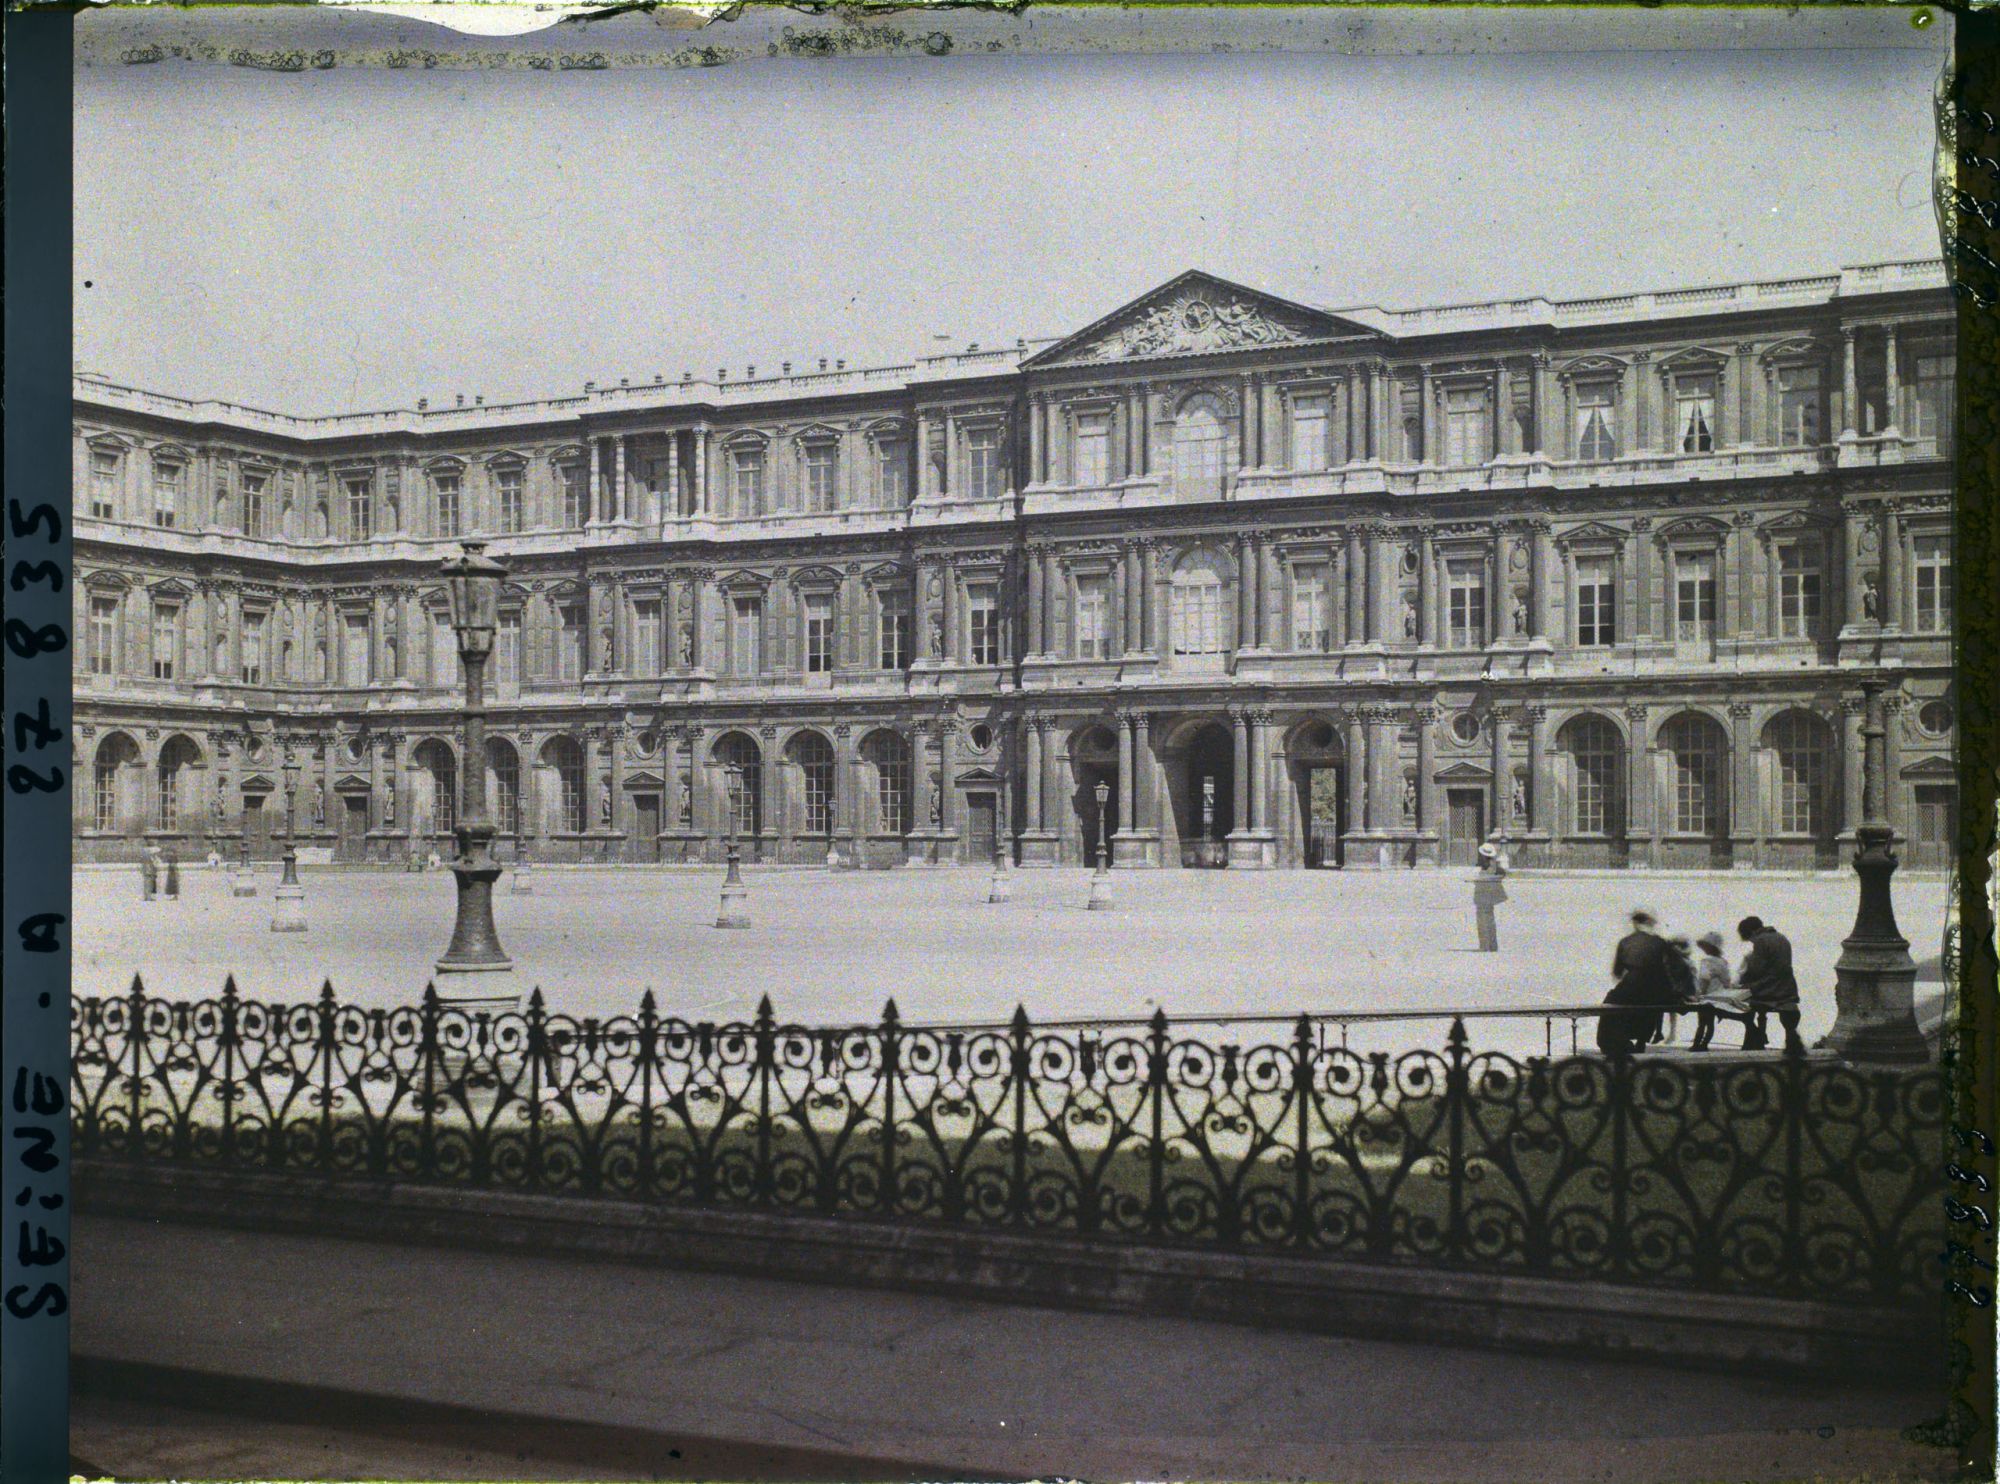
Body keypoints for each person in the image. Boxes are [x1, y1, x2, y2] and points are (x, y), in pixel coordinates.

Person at [1599, 909, 1672, 1056]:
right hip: (1656, 986)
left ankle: (1617, 1039)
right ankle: (1642, 1039)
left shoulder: (1625, 942)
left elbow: (1617, 972)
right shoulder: (1660, 942)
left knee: (1612, 1002)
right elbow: (1670, 967)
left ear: (1634, 923)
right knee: (1650, 1001)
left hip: (1632, 983)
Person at [1736, 916, 1804, 1052]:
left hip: (1770, 989)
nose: (1751, 941)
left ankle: (1755, 1037)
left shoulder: (1760, 940)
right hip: (1788, 988)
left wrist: (1746, 971)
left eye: (1749, 939)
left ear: (1751, 932)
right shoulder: (1781, 937)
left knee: (1738, 1003)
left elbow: (1757, 969)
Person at [1652, 934, 1699, 1045]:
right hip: (1678, 993)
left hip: (1684, 994)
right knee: (1661, 1004)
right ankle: (1661, 1032)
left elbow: (1691, 981)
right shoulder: (1673, 961)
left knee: (1662, 1005)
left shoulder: (1684, 963)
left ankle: (1664, 1033)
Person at [1471, 844, 1507, 952]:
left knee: (1482, 920)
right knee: (1490, 919)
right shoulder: (1494, 865)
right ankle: (1492, 945)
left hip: (1483, 895)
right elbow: (1502, 874)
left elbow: (1486, 878)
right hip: (1489, 895)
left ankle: (1484, 946)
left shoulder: (1487, 865)